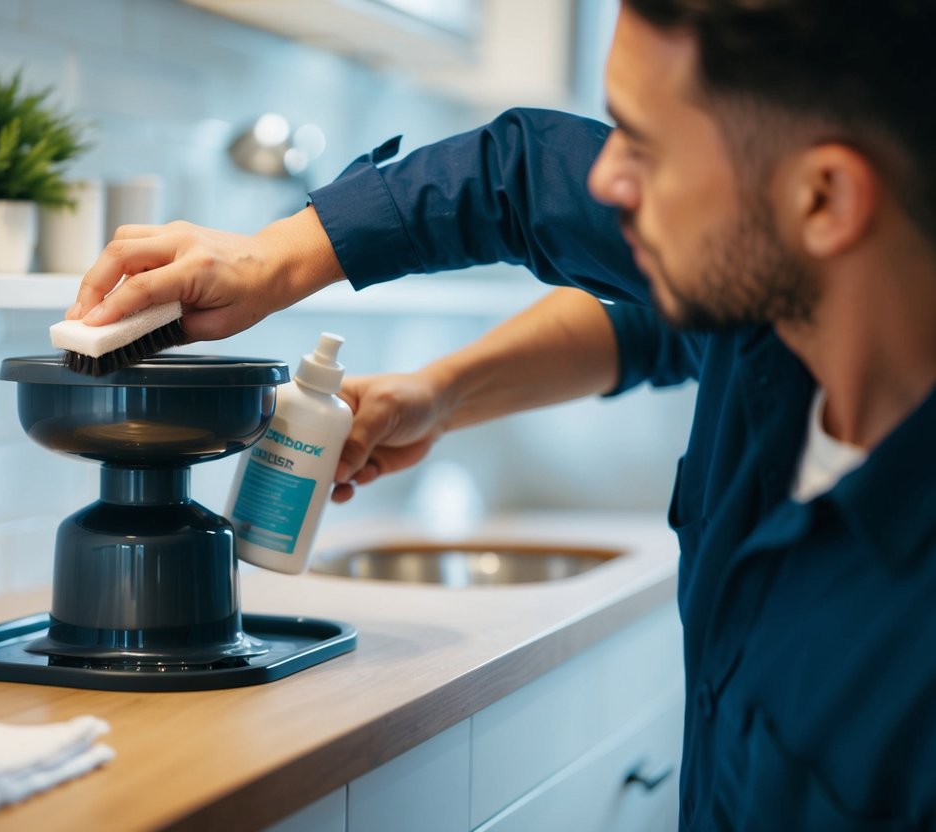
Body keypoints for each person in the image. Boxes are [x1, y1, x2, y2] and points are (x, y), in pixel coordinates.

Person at [67, 1, 936, 827]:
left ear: (823, 199)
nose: (604, 176)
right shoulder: (776, 319)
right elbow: (535, 197)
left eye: (644, 143)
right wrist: (437, 383)